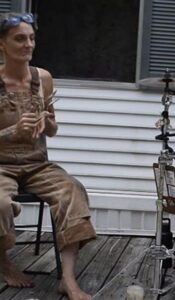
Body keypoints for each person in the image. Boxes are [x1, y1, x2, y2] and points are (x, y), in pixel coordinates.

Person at [0, 12, 96, 300]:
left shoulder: (43, 79)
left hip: (36, 164)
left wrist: (46, 121)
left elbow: (52, 129)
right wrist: (13, 130)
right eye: (19, 38)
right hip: (1, 165)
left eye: (31, 38)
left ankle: (66, 279)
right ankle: (4, 262)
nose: (28, 44)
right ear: (2, 44)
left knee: (73, 190)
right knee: (0, 203)